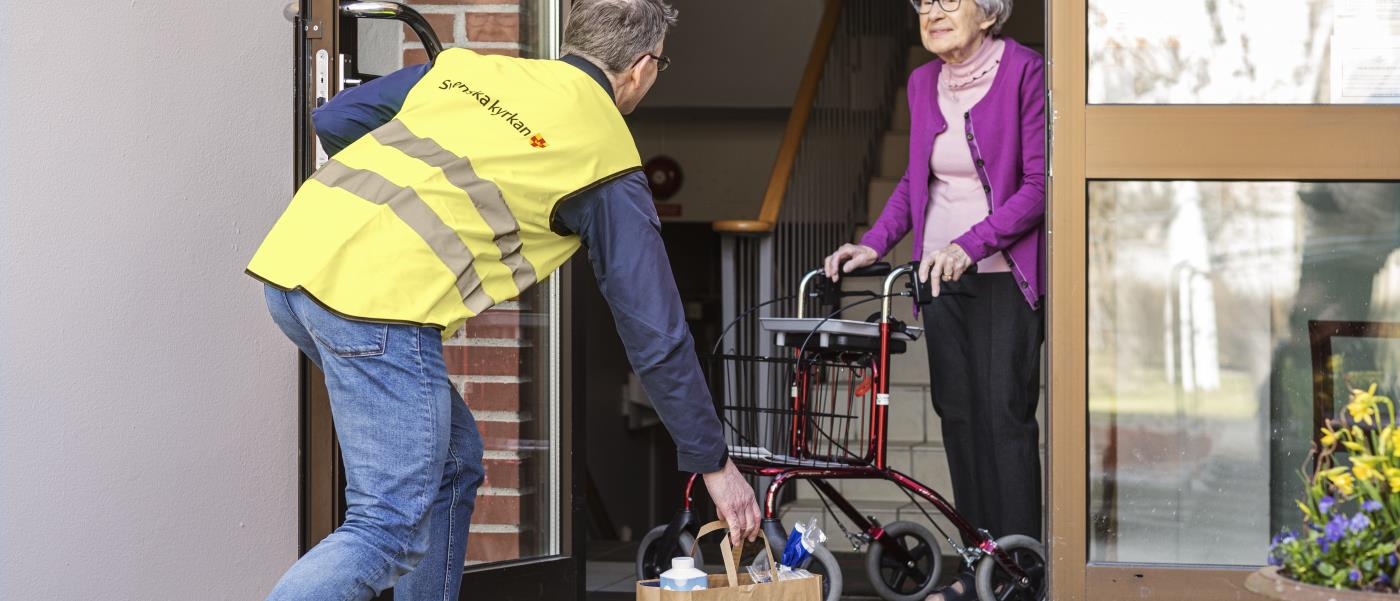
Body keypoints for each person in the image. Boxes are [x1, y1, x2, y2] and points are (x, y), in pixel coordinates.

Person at [246, 1, 760, 599]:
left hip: (293, 266)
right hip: (377, 308)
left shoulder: (472, 70)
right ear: (643, 68)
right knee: (386, 528)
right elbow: (656, 330)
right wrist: (713, 462)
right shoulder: (605, 158)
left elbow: (338, 117)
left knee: (452, 463)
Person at [823, 0, 1045, 598]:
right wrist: (874, 245)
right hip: (939, 277)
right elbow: (913, 181)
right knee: (961, 420)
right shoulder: (923, 82)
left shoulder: (1027, 71)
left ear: (990, 11)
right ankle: (980, 568)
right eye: (925, 1)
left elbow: (1036, 186)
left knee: (1005, 419)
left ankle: (1022, 575)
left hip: (1003, 275)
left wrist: (971, 245)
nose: (933, 11)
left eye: (950, 0)